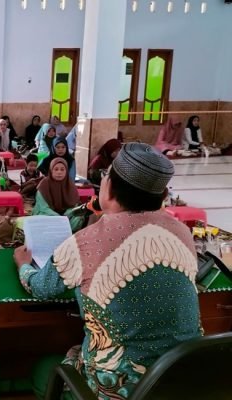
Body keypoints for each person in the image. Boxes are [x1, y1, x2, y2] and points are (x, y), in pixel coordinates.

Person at [14, 143, 201, 399]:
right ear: (162, 195)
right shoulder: (183, 233)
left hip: (120, 390)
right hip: (185, 381)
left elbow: (41, 287)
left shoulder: (85, 241)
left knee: (43, 369)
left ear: (109, 188)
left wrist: (23, 264)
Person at [33, 158, 84, 232]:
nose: (59, 172)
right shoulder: (44, 184)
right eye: (56, 169)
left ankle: (67, 232)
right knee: (43, 217)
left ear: (66, 171)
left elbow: (74, 205)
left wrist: (67, 214)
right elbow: (43, 207)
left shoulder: (70, 185)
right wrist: (57, 217)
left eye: (62, 169)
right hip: (48, 213)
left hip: (66, 215)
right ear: (51, 170)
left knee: (78, 216)